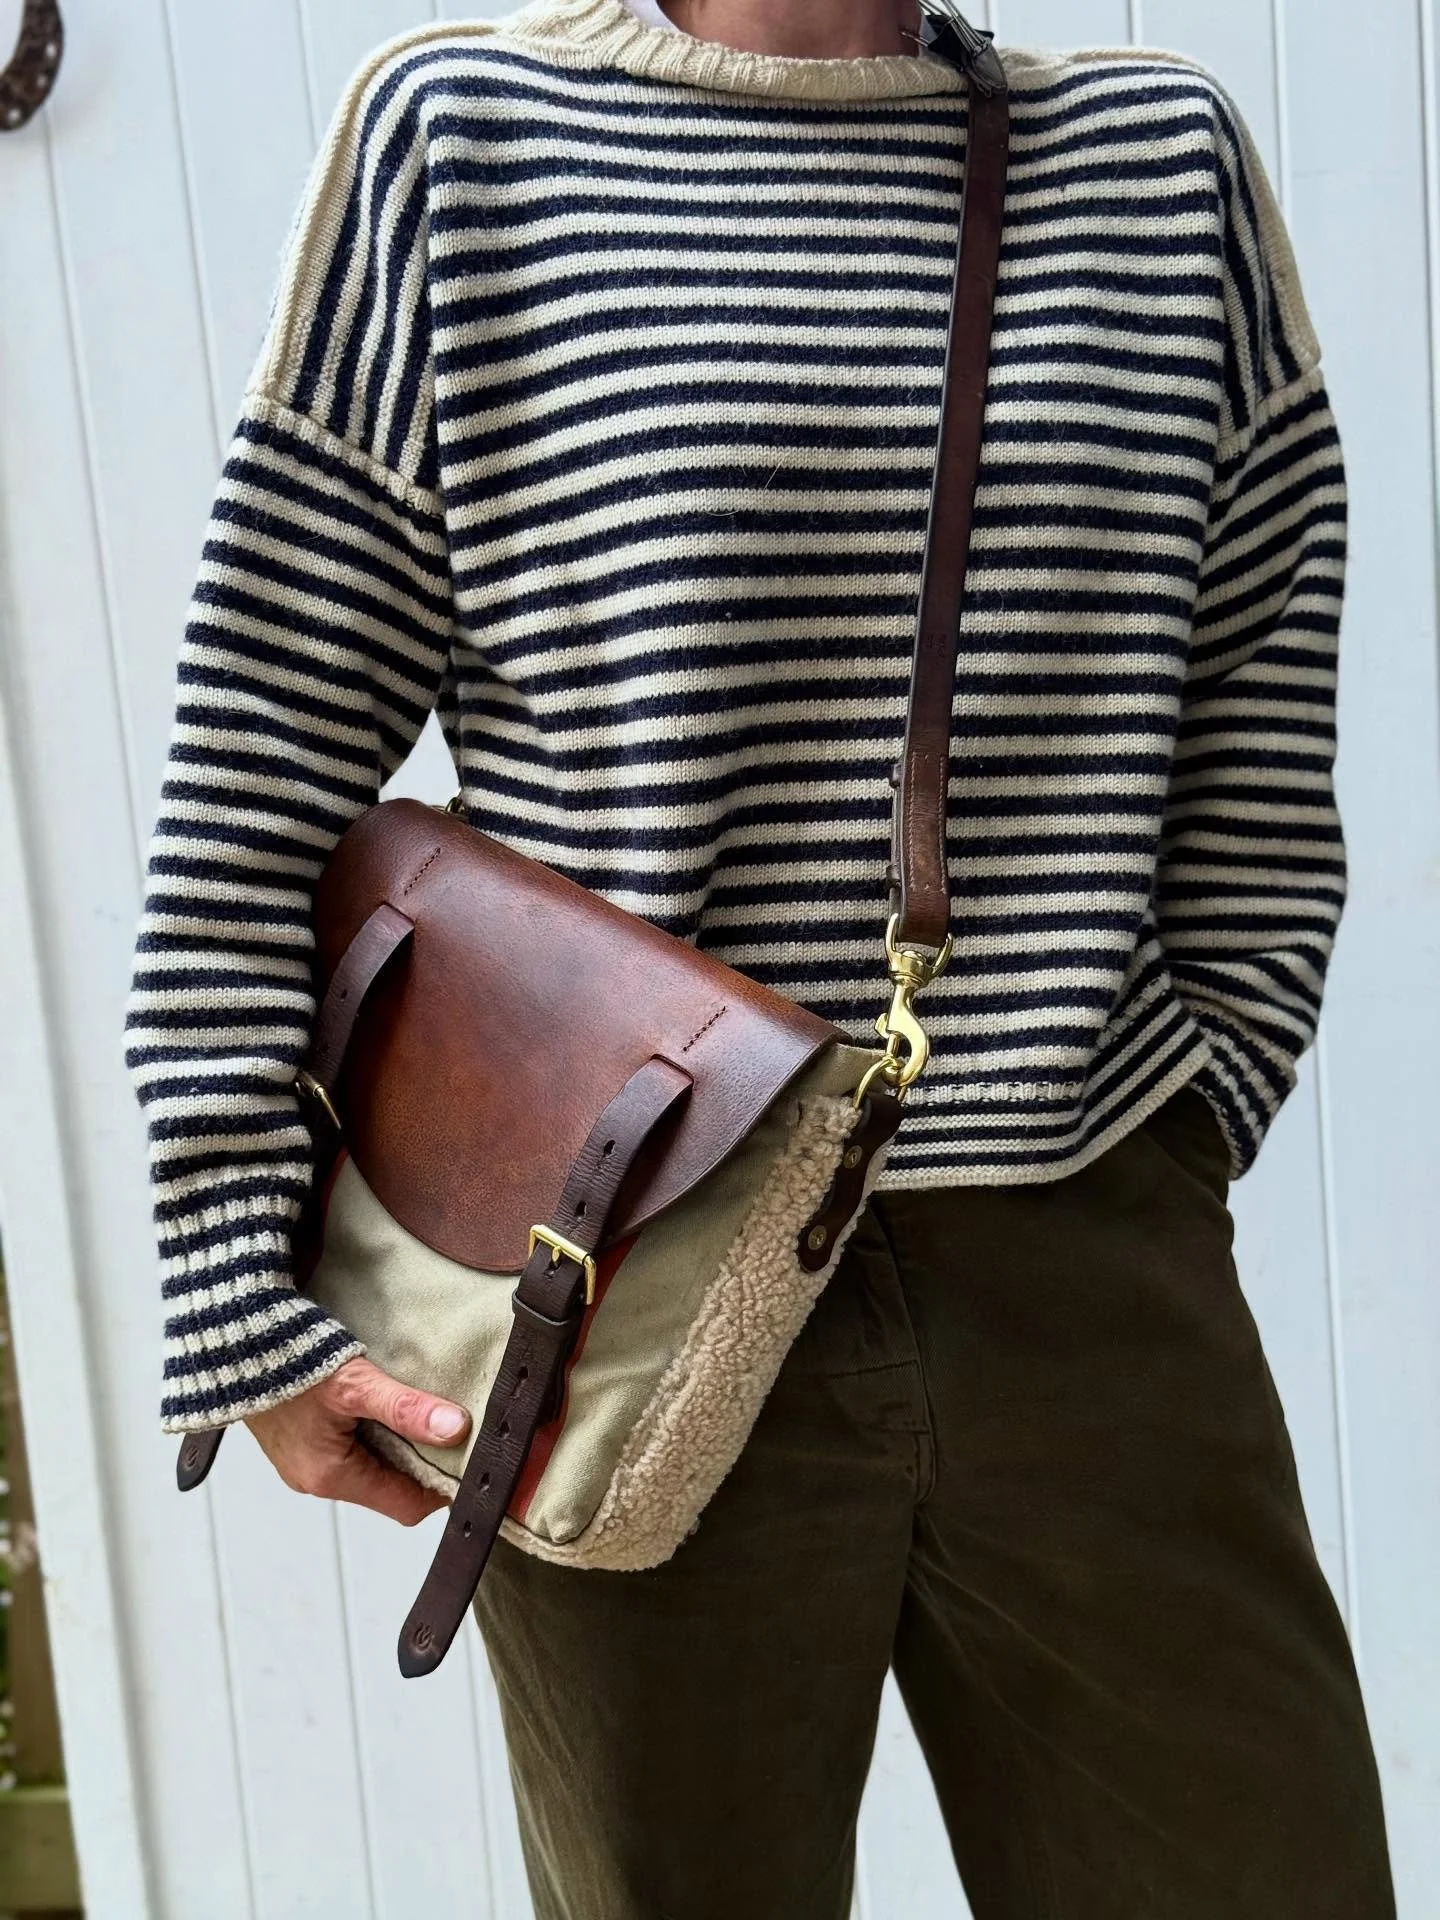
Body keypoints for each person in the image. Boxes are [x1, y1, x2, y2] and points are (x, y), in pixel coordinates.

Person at [125, 0, 1396, 1912]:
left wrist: (1192, 1092)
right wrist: (233, 1262)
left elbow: (1259, 698)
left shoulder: (1157, 169)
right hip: (616, 1279)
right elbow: (263, 744)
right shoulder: (461, 143)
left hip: (1082, 1282)